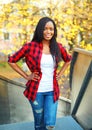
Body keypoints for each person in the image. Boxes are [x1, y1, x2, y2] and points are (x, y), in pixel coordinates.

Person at [8, 17, 71, 130]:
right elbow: (11, 61)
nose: (48, 32)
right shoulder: (30, 46)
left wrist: (60, 73)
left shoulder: (58, 47)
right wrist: (27, 76)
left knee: (50, 123)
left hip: (52, 91)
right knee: (39, 124)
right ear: (40, 30)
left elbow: (68, 60)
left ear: (54, 31)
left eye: (51, 29)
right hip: (36, 92)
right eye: (45, 28)